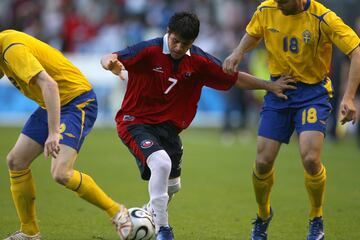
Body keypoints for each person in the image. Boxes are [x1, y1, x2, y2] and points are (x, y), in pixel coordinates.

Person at [101, 12, 296, 240]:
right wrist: (109, 63)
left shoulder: (199, 61)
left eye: (185, 44)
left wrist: (269, 86)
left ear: (192, 42)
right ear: (168, 33)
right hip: (135, 121)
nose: (178, 47)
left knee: (172, 187)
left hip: (169, 130)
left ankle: (148, 214)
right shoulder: (148, 50)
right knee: (161, 164)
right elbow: (111, 57)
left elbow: (235, 78)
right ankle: (164, 230)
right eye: (175, 41)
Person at [222, 0, 360, 239]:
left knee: (310, 158)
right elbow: (253, 33)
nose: (279, 5)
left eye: (283, 1)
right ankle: (263, 215)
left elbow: (356, 51)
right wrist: (237, 52)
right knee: (263, 162)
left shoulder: (323, 18)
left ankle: (316, 218)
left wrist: (348, 97)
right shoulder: (267, 9)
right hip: (279, 90)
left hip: (313, 94)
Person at [0, 30, 132, 240]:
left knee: (61, 173)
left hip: (76, 101)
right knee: (16, 161)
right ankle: (29, 232)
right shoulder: (3, 47)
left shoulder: (12, 49)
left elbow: (50, 85)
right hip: (51, 103)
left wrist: (53, 133)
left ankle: (118, 212)